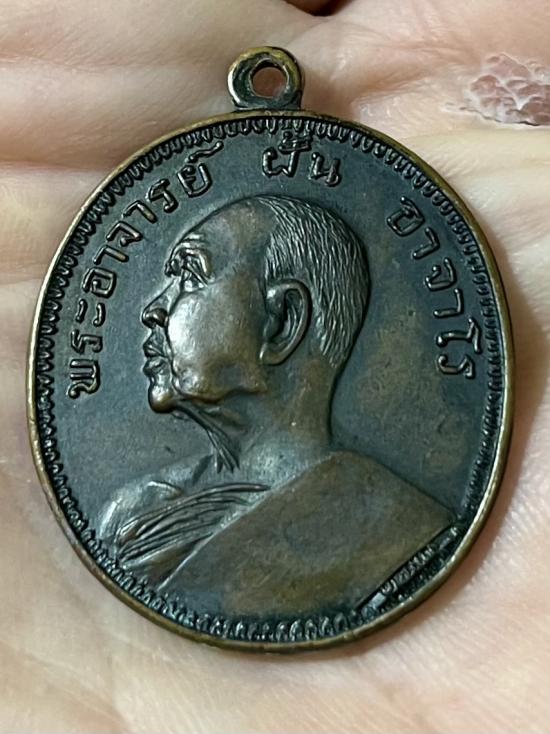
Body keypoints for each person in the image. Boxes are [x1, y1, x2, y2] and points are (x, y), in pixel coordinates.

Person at [99, 195, 453, 616]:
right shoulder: (133, 513)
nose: (153, 309)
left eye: (190, 276)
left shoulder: (396, 531)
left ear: (282, 322)